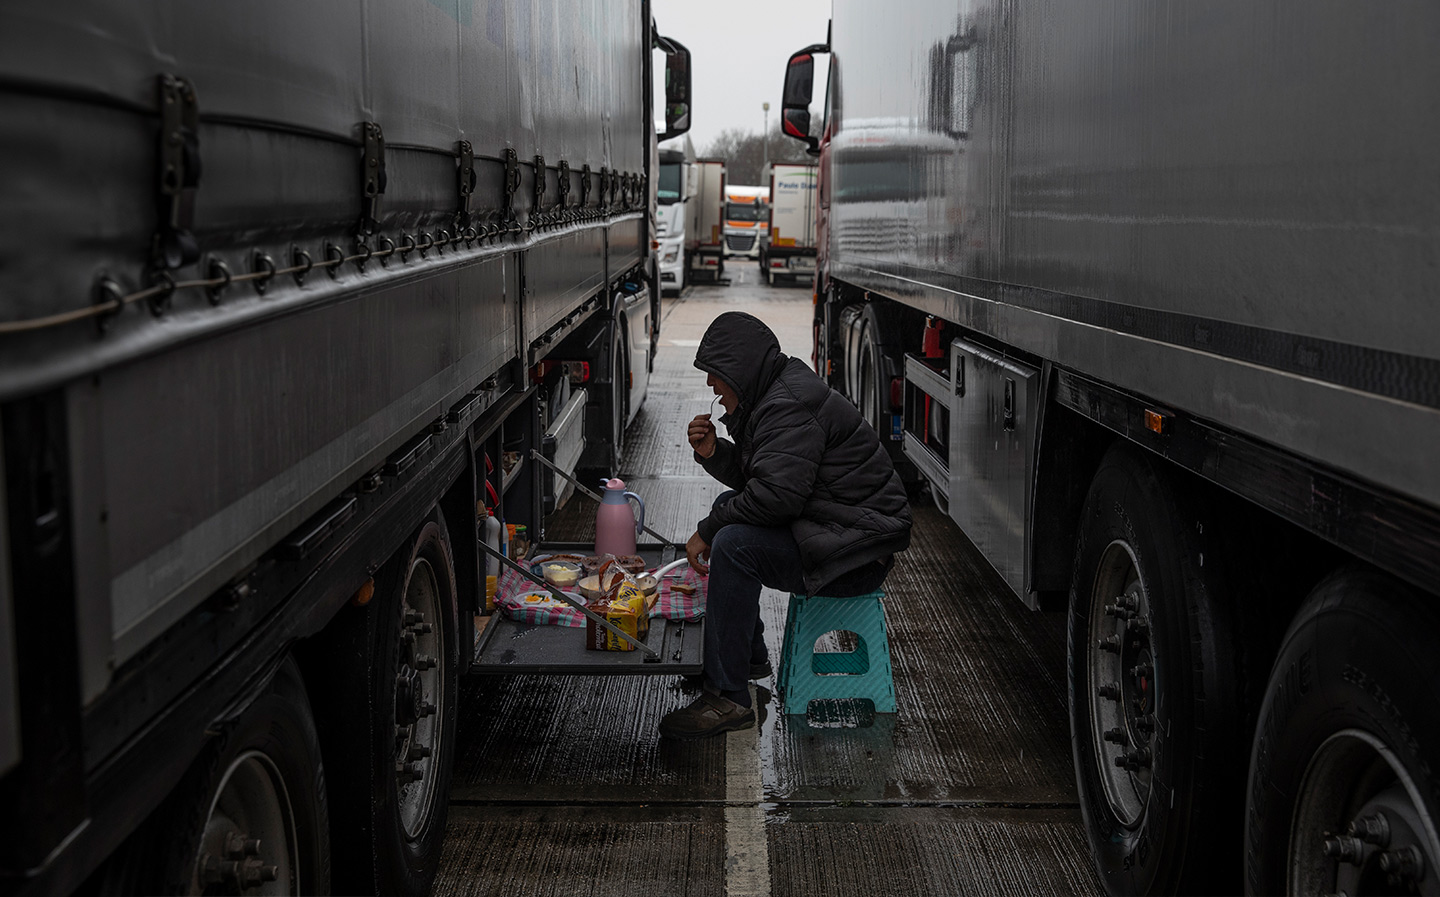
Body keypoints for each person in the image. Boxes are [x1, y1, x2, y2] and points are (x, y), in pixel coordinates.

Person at [659, 311, 912, 739]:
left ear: (739, 373)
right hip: (838, 531)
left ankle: (729, 696)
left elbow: (776, 499)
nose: (710, 386)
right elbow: (771, 480)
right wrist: (714, 452)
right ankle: (749, 656)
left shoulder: (788, 404)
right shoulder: (777, 394)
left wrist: (708, 528)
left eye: (715, 375)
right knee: (730, 516)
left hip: (855, 555)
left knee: (734, 542)